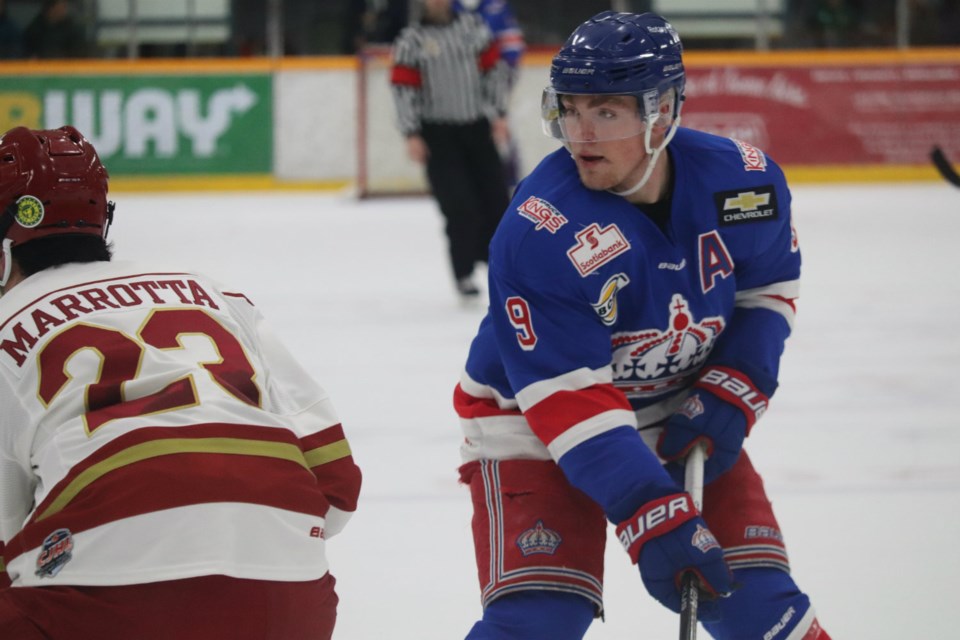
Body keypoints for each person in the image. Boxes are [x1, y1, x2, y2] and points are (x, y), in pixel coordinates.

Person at [453, 11, 832, 640]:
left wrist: (734, 388)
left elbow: (768, 289)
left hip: (682, 410)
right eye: (568, 110)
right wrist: (649, 513)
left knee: (759, 608)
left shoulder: (746, 185)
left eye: (606, 112)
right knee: (539, 620)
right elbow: (569, 401)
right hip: (531, 421)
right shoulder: (538, 232)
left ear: (664, 111)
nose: (580, 133)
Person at [0, 126, 362, 639]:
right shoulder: (212, 293)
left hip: (104, 599)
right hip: (288, 598)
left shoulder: (6, 327)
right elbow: (337, 483)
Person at [389, 0, 511, 300]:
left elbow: (494, 70)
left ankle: (499, 266)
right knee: (459, 207)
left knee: (497, 203)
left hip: (477, 128)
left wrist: (498, 113)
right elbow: (403, 90)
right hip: (438, 135)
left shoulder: (474, 29)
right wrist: (411, 132)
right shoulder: (411, 40)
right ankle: (464, 272)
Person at [453, 0, 526, 188]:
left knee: (500, 124)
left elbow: (512, 45)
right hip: (461, 81)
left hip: (497, 77)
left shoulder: (497, 6)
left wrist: (506, 75)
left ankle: (509, 176)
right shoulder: (451, 6)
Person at [22, 0, 89, 59]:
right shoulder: (35, 29)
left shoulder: (73, 29)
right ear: (51, 8)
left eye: (65, 6)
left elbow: (79, 56)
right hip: (41, 69)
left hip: (68, 69)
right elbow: (28, 54)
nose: (65, 9)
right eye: (63, 6)